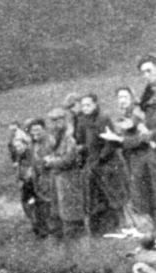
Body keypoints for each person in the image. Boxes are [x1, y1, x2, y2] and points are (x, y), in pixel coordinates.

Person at [78, 94, 129, 235]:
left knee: (112, 196)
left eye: (88, 105)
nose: (85, 108)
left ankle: (119, 226)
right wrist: (83, 153)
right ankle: (101, 229)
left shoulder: (103, 119)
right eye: (83, 106)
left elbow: (110, 143)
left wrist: (100, 159)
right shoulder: (82, 121)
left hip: (107, 163)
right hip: (91, 163)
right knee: (95, 197)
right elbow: (81, 141)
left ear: (95, 104)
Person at [114, 86, 156, 228]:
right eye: (119, 97)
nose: (122, 100)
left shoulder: (138, 114)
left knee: (149, 196)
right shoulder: (123, 116)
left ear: (132, 98)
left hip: (146, 159)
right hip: (134, 161)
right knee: (143, 198)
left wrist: (121, 140)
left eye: (125, 97)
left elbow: (144, 138)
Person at [43, 107, 85, 238]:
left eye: (57, 119)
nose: (55, 123)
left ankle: (76, 238)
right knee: (59, 210)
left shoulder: (70, 137)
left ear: (64, 119)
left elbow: (68, 160)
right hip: (59, 178)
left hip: (70, 179)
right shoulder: (56, 136)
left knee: (71, 211)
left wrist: (50, 162)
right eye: (52, 120)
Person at [27, 119, 54, 237]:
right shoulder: (32, 144)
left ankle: (53, 230)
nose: (35, 133)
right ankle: (43, 231)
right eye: (33, 130)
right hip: (37, 178)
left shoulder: (50, 141)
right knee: (39, 204)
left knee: (49, 203)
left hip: (49, 177)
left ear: (44, 129)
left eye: (38, 130)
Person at [138, 54, 156, 138]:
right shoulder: (146, 96)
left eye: (149, 71)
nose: (146, 75)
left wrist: (151, 134)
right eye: (143, 72)